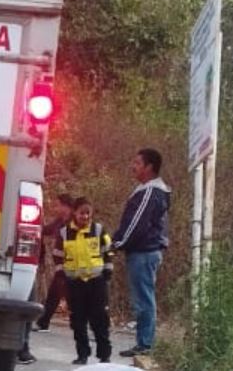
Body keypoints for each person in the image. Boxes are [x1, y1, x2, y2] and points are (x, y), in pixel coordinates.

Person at [112, 149, 170, 357]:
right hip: (144, 252)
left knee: (143, 299)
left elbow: (137, 225)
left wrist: (117, 243)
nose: (132, 166)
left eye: (137, 162)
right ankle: (143, 343)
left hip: (144, 252)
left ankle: (145, 344)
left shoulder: (150, 192)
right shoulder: (145, 190)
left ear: (149, 167)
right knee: (142, 298)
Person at [56, 197, 113, 365]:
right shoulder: (65, 233)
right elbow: (58, 255)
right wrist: (61, 276)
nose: (85, 216)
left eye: (88, 213)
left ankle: (104, 355)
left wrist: (108, 270)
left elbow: (108, 251)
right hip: (75, 284)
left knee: (100, 320)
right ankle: (82, 354)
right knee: (78, 321)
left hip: (96, 282)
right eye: (82, 213)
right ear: (75, 212)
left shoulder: (98, 230)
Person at [34, 193, 75, 332]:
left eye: (58, 205)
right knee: (59, 293)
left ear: (66, 206)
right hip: (62, 265)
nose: (55, 208)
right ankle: (43, 322)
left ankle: (43, 322)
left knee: (61, 293)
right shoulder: (59, 221)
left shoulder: (74, 223)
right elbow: (46, 230)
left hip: (73, 265)